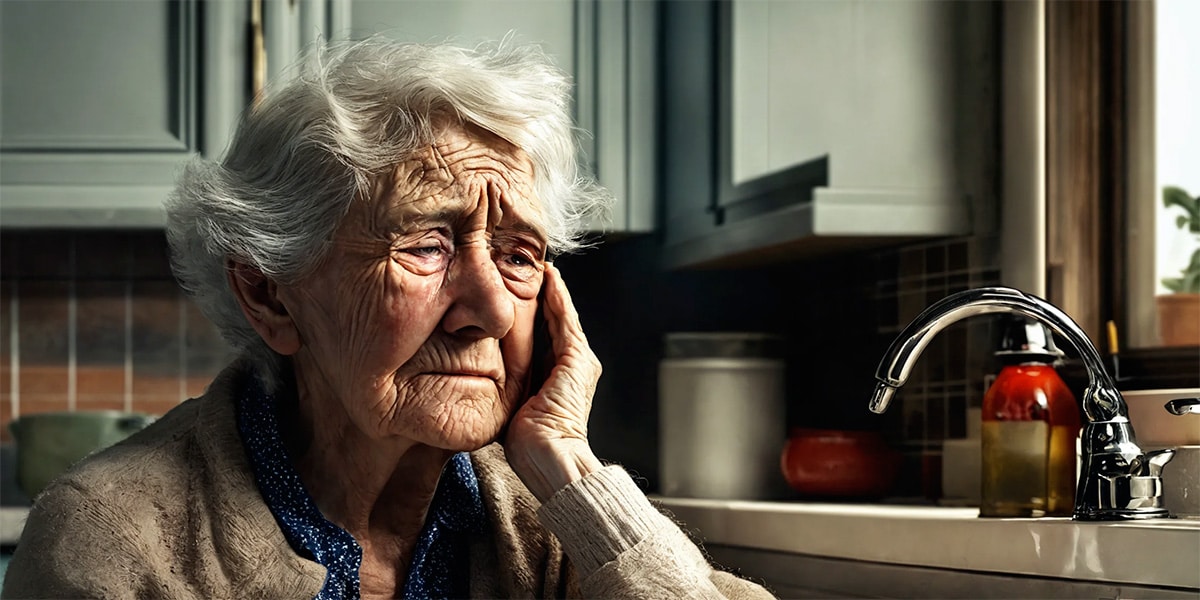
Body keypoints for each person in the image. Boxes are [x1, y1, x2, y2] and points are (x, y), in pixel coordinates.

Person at [1, 36, 775, 599]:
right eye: (427, 243)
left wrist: (569, 466)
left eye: (519, 254)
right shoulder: (116, 540)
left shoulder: (557, 522)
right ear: (270, 295)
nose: (491, 307)